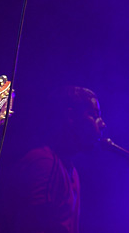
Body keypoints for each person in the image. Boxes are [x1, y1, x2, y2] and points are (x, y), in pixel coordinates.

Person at [6, 86, 106, 233]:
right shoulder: (43, 163)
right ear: (71, 117)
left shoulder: (71, 171)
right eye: (93, 114)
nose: (102, 124)